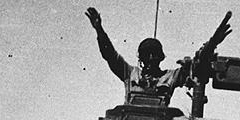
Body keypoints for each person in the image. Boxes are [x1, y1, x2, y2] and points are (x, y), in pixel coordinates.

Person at [85, 7, 232, 106]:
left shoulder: (170, 77)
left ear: (161, 57)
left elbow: (197, 65)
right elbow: (110, 55)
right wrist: (99, 30)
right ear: (141, 58)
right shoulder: (130, 74)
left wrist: (213, 42)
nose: (150, 58)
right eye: (146, 54)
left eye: (154, 54)